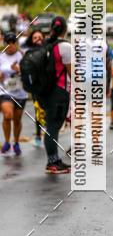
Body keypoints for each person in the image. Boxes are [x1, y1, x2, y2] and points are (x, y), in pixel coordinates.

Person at [42, 16, 72, 174]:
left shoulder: (46, 44)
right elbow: (72, 72)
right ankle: (52, 162)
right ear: (65, 29)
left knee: (51, 125)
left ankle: (54, 159)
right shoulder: (66, 47)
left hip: (46, 91)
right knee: (53, 127)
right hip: (60, 91)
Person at [0, 32, 28, 156]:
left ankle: (16, 142)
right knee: (8, 115)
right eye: (8, 43)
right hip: (4, 91)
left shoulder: (22, 56)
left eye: (13, 42)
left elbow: (29, 74)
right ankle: (6, 141)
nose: (11, 45)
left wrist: (20, 70)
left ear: (16, 44)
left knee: (17, 120)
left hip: (20, 93)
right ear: (4, 44)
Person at [24, 28, 45, 145]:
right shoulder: (29, 54)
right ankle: (38, 134)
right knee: (38, 110)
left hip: (48, 87)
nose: (38, 40)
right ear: (32, 40)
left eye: (40, 37)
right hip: (36, 87)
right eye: (35, 38)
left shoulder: (48, 51)